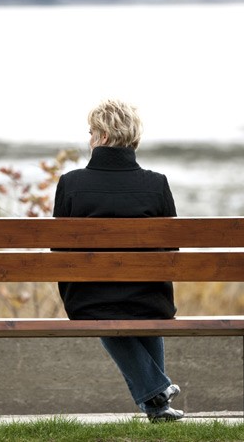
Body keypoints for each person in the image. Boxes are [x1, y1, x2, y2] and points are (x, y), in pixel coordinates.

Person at [52, 99, 183, 422]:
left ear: (105, 138)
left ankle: (157, 397)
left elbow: (58, 252)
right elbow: (172, 252)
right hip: (149, 298)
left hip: (88, 300)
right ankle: (159, 397)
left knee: (105, 308)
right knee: (143, 301)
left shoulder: (71, 184)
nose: (90, 139)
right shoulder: (157, 184)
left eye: (92, 133)